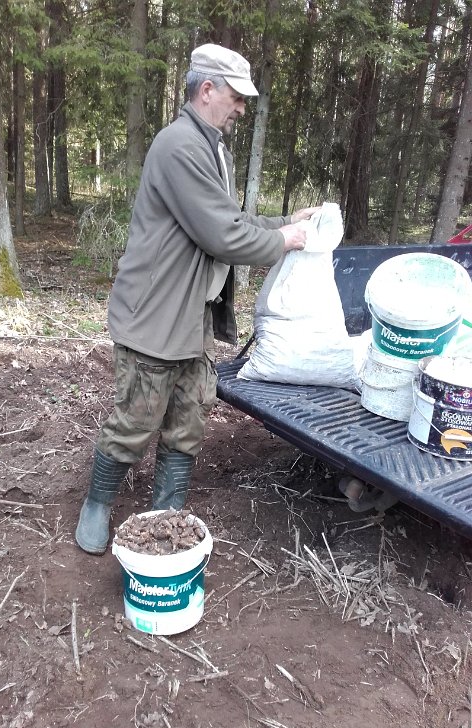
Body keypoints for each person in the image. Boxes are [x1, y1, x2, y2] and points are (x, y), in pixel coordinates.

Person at [76, 42, 319, 555]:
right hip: (155, 315)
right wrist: (283, 241)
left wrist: (284, 223)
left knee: (187, 421)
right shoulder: (179, 146)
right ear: (206, 89)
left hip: (189, 318)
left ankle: (166, 515)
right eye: (236, 97)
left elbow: (229, 219)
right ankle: (96, 505)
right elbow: (221, 235)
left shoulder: (212, 148)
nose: (241, 108)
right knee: (136, 420)